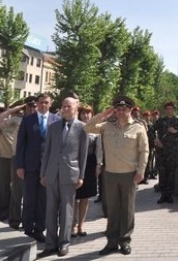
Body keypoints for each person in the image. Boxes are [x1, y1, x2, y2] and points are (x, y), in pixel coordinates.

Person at [85, 96, 149, 256]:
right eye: (118, 109)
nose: (121, 112)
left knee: (127, 210)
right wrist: (104, 113)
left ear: (130, 110)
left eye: (124, 109)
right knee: (112, 210)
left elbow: (144, 151)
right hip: (111, 174)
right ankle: (112, 242)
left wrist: (141, 171)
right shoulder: (106, 126)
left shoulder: (138, 128)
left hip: (129, 175)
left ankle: (125, 241)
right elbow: (88, 127)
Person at [38, 97, 88, 258]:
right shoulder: (52, 127)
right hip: (52, 174)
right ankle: (50, 244)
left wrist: (81, 176)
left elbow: (83, 155)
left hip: (70, 175)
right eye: (64, 106)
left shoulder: (82, 128)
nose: (65, 108)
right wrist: (43, 173)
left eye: (69, 106)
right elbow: (46, 152)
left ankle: (64, 243)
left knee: (67, 211)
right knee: (50, 211)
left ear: (76, 108)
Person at [15, 93, 60, 242]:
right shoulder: (28, 120)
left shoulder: (56, 120)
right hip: (30, 166)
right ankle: (28, 229)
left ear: (50, 104)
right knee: (29, 199)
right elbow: (21, 144)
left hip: (47, 168)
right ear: (37, 104)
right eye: (41, 102)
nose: (43, 105)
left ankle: (40, 229)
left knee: (43, 200)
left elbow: (58, 146)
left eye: (46, 102)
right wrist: (19, 165)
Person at [0, 97, 36, 229]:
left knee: (32, 192)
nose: (33, 108)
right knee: (17, 192)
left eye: (35, 106)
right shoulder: (17, 120)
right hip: (18, 158)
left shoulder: (41, 120)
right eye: (29, 106)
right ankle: (15, 220)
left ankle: (29, 219)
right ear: (25, 107)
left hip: (34, 159)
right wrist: (14, 109)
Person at [154, 101, 178, 204]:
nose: (169, 111)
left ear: (173, 110)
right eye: (167, 109)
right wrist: (156, 140)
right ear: (165, 110)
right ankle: (163, 195)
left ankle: (169, 195)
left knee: (171, 174)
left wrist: (176, 131)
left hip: (172, 152)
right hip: (161, 151)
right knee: (162, 174)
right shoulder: (161, 121)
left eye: (171, 109)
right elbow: (151, 130)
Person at [73, 105, 98, 237]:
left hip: (90, 164)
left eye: (88, 113)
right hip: (76, 163)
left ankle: (81, 225)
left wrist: (99, 164)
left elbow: (99, 148)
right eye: (83, 113)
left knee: (85, 197)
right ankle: (72, 224)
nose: (86, 115)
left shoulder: (96, 129)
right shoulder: (75, 128)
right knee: (74, 197)